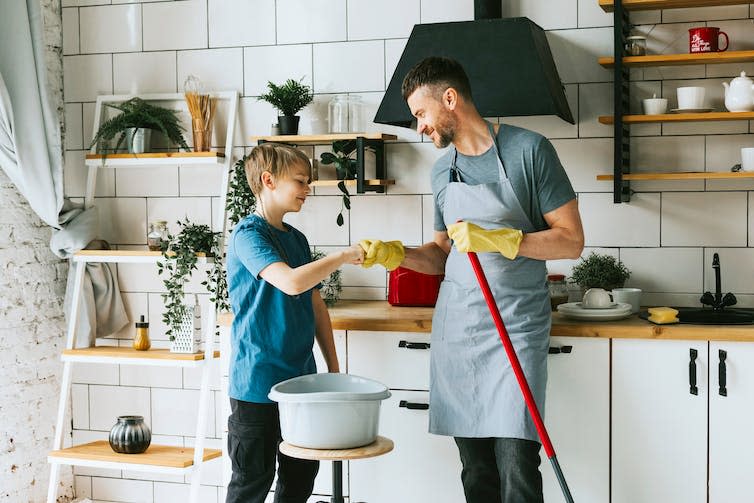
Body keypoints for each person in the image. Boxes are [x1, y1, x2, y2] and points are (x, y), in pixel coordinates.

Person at [360, 56, 584, 503]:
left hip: (516, 327)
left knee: (517, 460)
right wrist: (397, 254)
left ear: (450, 99)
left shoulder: (530, 151)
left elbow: (571, 241)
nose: (420, 127)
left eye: (421, 113)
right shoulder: (442, 171)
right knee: (475, 467)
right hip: (460, 329)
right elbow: (442, 253)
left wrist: (506, 239)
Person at [226, 142, 364, 503]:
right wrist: (342, 256)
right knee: (251, 482)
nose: (307, 190)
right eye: (300, 182)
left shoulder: (297, 239)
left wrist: (333, 369)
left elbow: (314, 302)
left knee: (300, 479)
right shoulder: (248, 236)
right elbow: (291, 282)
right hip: (256, 382)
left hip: (302, 381)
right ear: (269, 180)